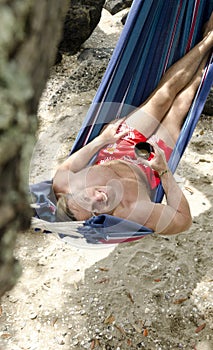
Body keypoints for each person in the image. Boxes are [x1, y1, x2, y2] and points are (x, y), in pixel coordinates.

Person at [53, 15, 213, 235]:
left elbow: (65, 169)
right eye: (96, 210)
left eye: (86, 197)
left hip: (118, 146)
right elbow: (182, 221)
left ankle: (208, 40)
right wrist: (164, 171)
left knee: (165, 94)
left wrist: (103, 139)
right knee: (182, 104)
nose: (99, 197)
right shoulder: (132, 212)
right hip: (149, 166)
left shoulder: (65, 186)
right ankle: (208, 59)